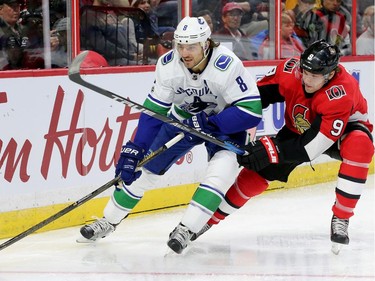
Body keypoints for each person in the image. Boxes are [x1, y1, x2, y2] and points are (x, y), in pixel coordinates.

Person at [78, 16, 262, 255]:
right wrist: (137, 146)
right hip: (181, 121)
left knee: (220, 173)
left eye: (191, 46)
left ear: (206, 44)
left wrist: (211, 122)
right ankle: (108, 221)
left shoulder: (227, 65)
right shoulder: (168, 64)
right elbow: (154, 111)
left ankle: (187, 229)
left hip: (224, 125)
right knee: (143, 171)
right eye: (181, 45)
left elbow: (251, 111)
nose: (184, 52)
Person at [192, 40, 374, 254]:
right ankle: (208, 220)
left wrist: (271, 149)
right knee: (257, 173)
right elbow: (254, 98)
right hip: (300, 129)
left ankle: (342, 218)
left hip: (344, 131)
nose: (306, 79)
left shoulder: (342, 91)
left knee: (360, 146)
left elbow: (311, 149)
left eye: (314, 76)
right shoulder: (291, 71)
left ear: (330, 74)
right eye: (305, 71)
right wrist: (223, 116)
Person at [80, 0, 139, 66]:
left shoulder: (109, 14)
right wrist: (130, 55)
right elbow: (103, 46)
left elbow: (124, 38)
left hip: (125, 56)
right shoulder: (89, 16)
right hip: (107, 60)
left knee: (151, 62)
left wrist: (135, 52)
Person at [0, 0, 28, 69]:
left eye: (18, 6)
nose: (16, 9)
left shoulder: (23, 29)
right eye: (12, 6)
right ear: (0, 9)